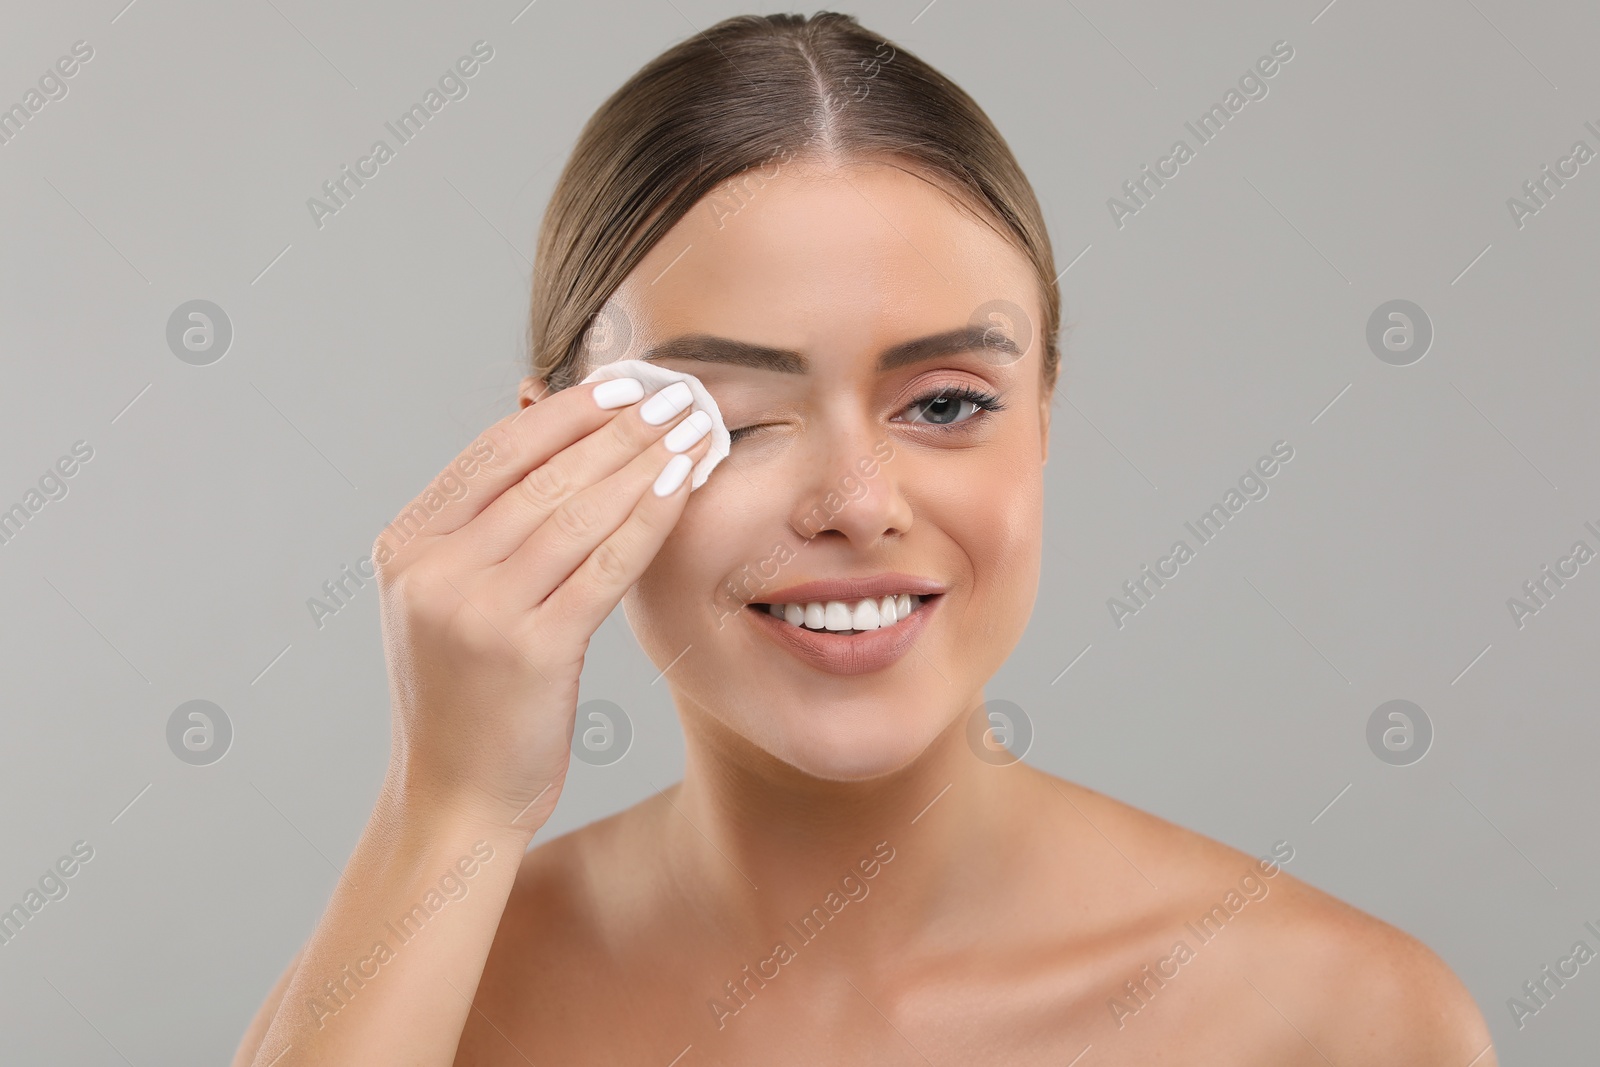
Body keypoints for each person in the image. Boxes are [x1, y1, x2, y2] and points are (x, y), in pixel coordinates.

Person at [234, 12, 1495, 1064]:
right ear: (552, 462)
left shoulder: (1342, 1020)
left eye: (946, 404)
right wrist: (450, 807)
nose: (858, 498)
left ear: (1042, 422)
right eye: (730, 418)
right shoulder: (429, 995)